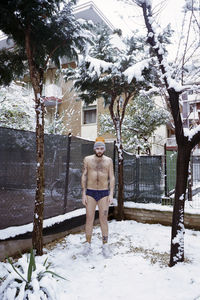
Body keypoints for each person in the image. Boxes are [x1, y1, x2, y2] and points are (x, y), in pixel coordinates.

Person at [81, 136, 115, 258]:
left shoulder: (108, 161)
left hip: (103, 193)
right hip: (90, 192)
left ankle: (105, 245)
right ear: (94, 149)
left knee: (103, 219)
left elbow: (112, 177)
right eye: (98, 148)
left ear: (104, 149)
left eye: (101, 148)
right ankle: (88, 244)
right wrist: (83, 193)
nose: (99, 150)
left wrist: (111, 194)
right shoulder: (88, 160)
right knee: (89, 219)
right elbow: (84, 176)